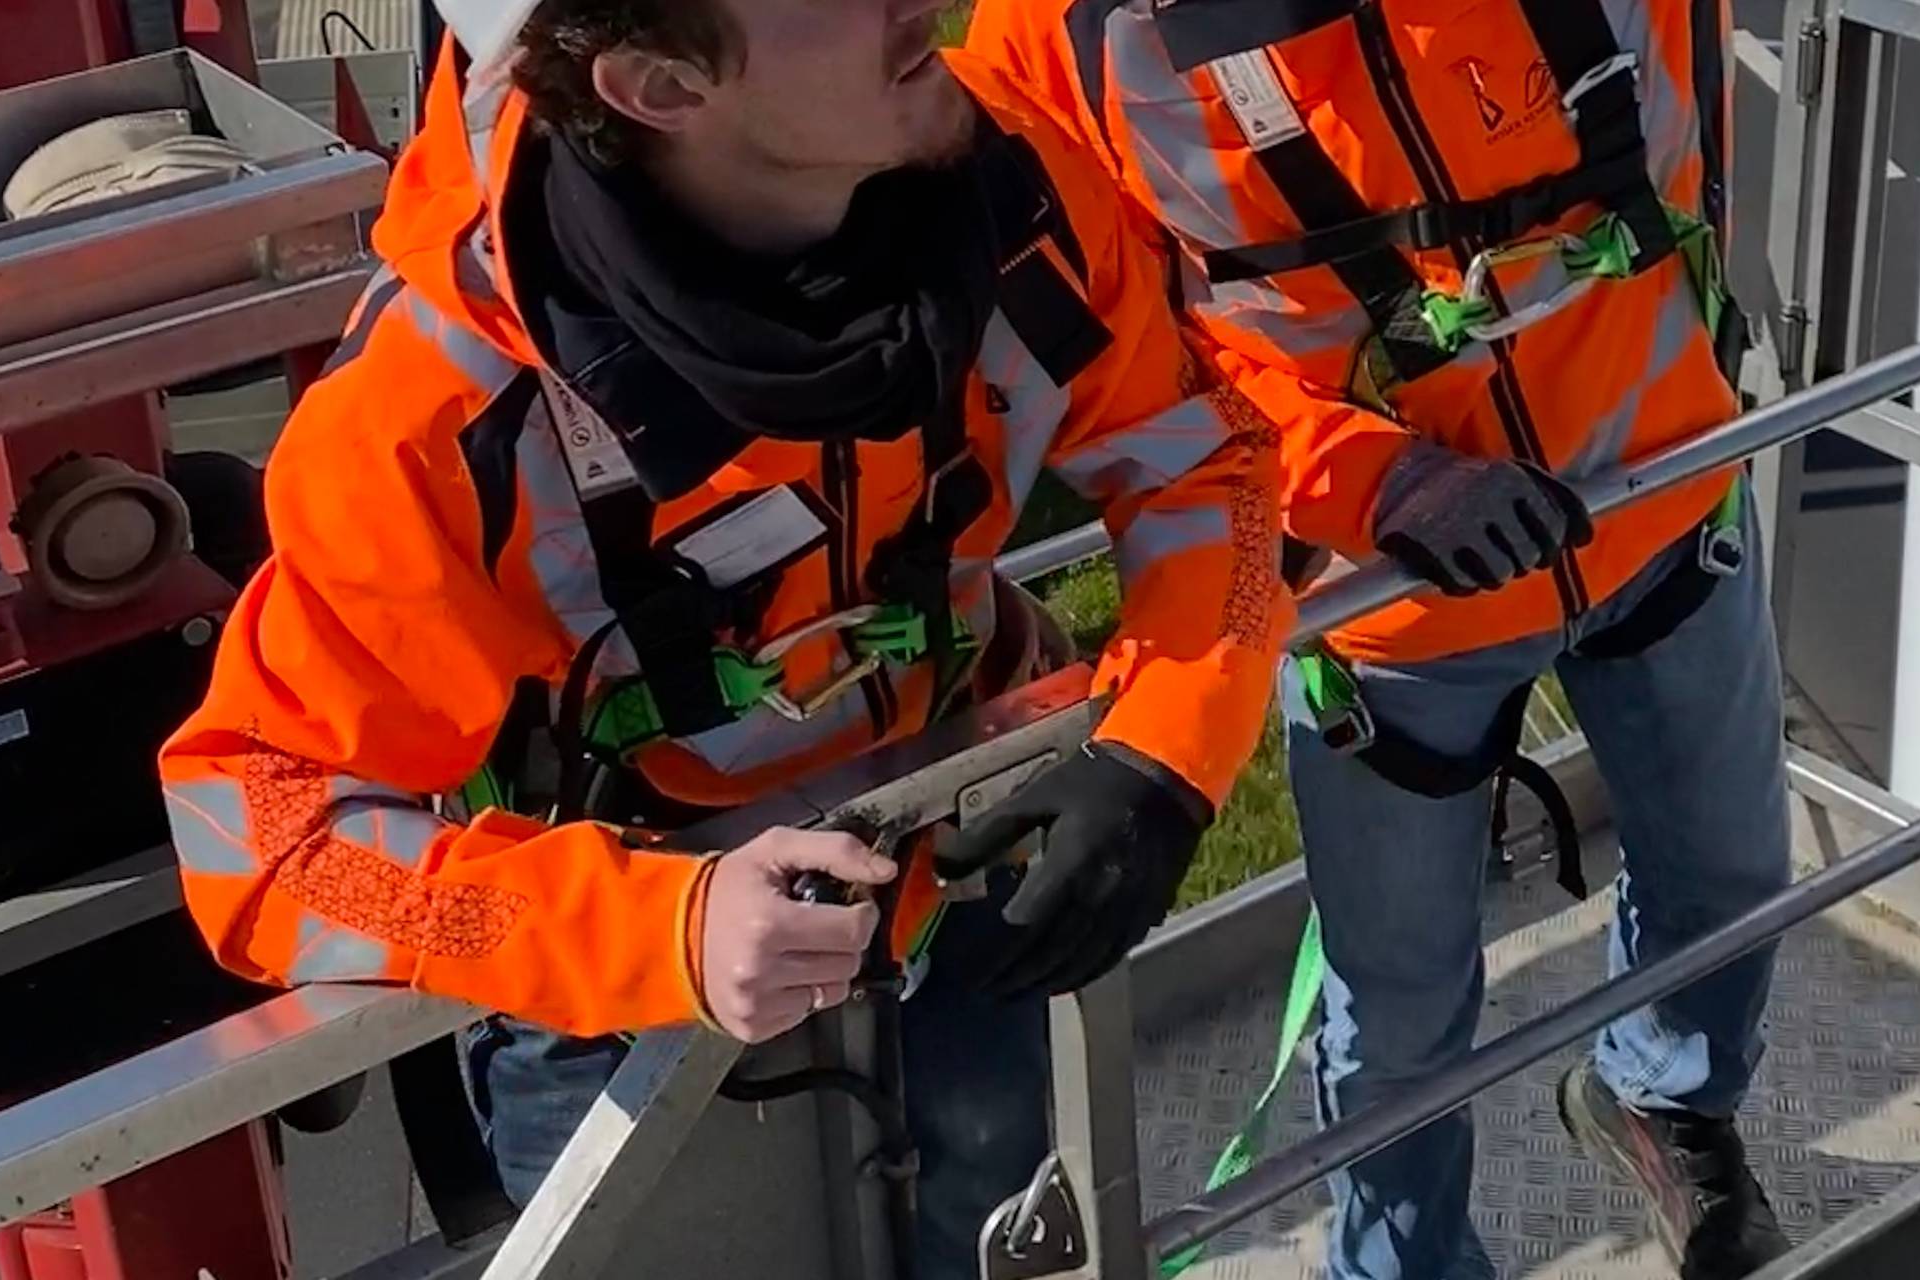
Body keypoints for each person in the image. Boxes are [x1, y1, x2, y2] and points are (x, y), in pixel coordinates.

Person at [155, 0, 1289, 1271]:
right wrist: (658, 930)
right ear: (657, 84)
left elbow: (1208, 468)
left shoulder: (1007, 187)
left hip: (967, 883)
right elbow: (255, 828)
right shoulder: (440, 408)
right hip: (622, 1005)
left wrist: (1166, 748)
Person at [965, 0, 1796, 1275]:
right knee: (1399, 1012)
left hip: (1664, 497)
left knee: (1732, 878)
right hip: (1388, 603)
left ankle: (1663, 1098)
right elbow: (1132, 355)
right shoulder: (1063, 42)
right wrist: (1365, 479)